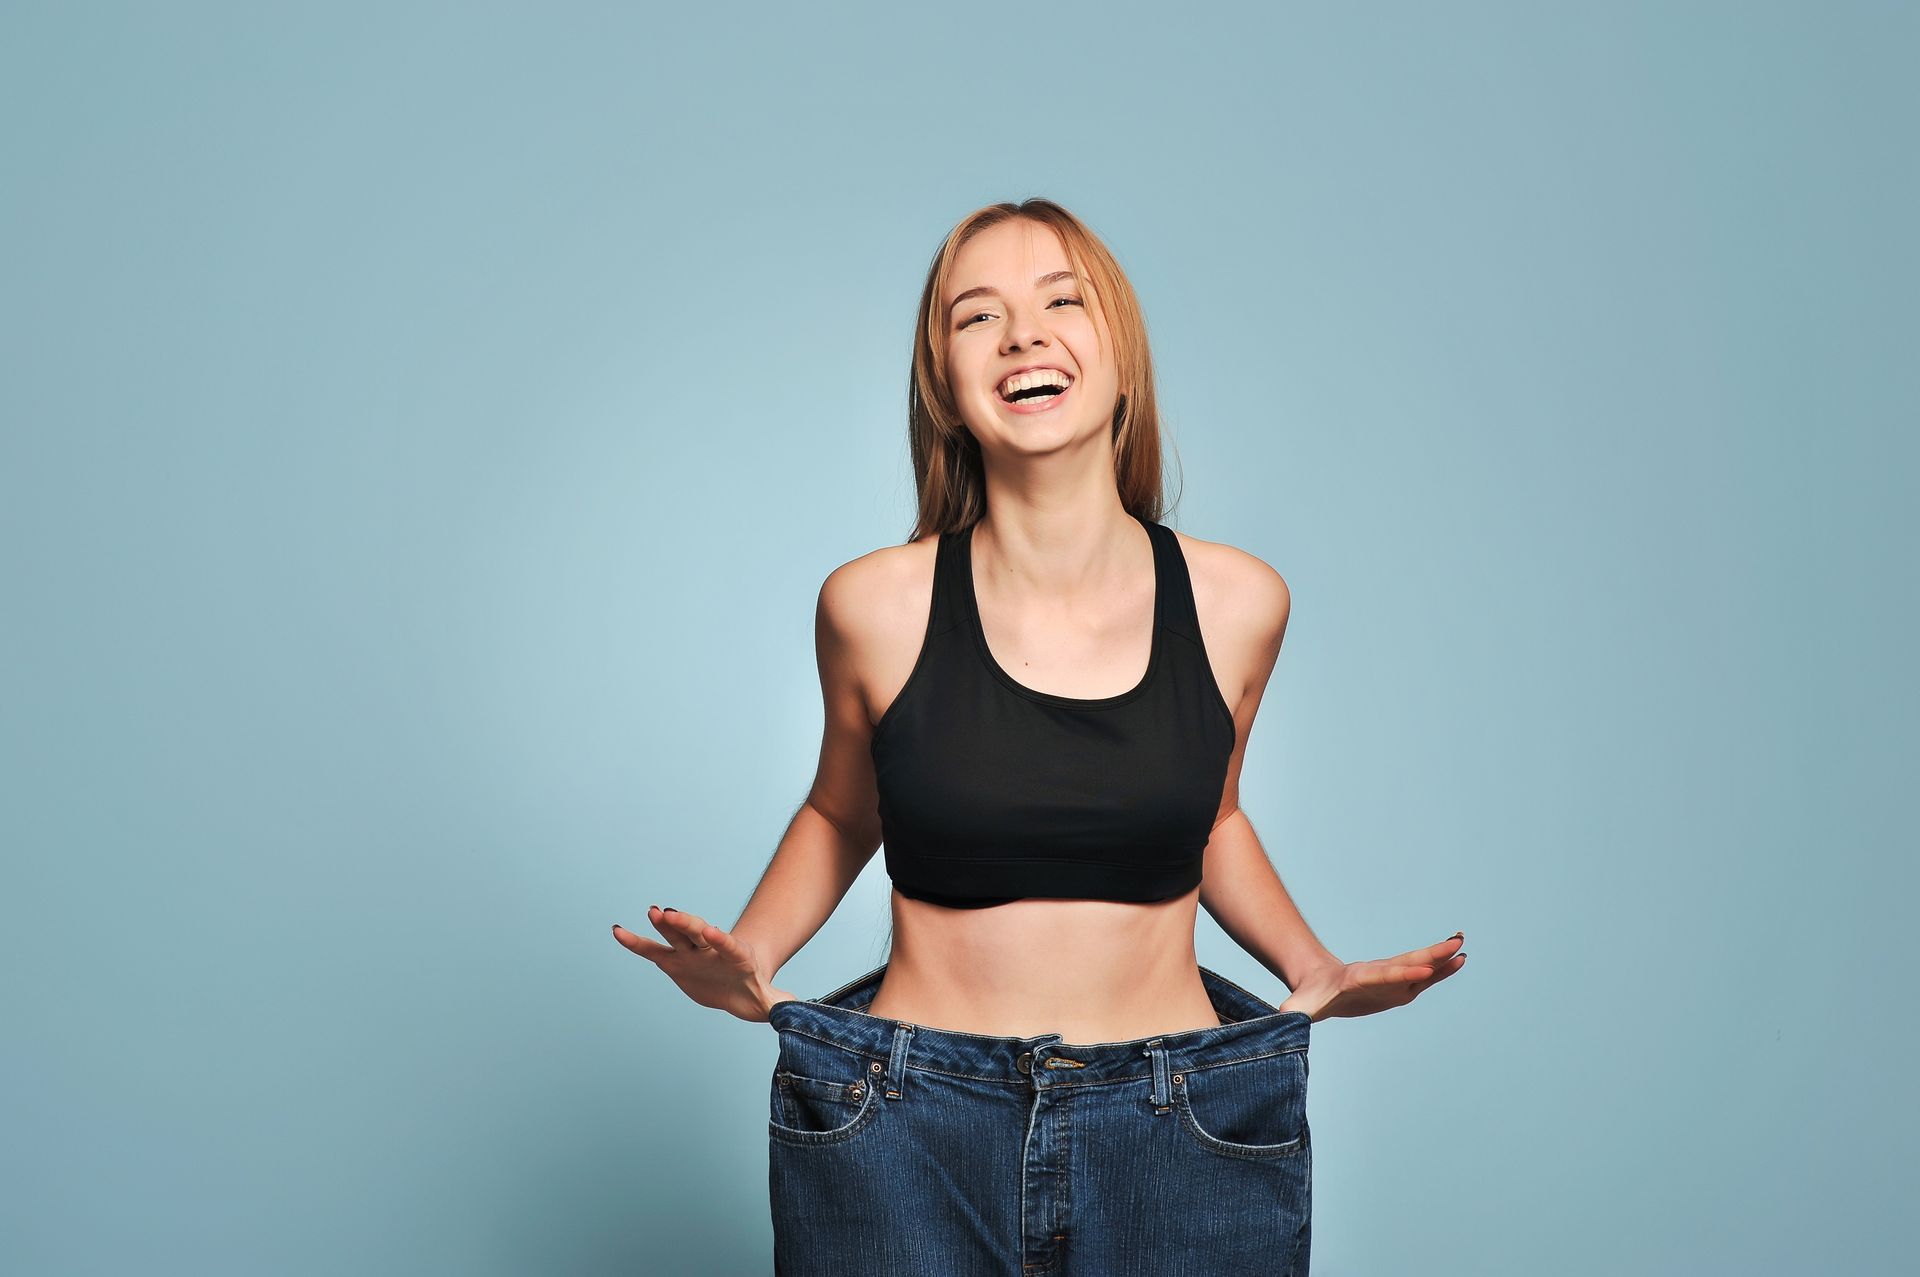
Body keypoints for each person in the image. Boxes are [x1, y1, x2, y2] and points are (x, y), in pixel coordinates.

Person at [612, 198, 1466, 1275]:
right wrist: (750, 955)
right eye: (979, 316)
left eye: (1062, 301)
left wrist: (1317, 968)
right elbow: (841, 810)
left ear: (1121, 357)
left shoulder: (1239, 601)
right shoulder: (873, 604)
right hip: (905, 1130)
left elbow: (1213, 815)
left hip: (1182, 1128)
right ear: (948, 387)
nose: (1022, 334)